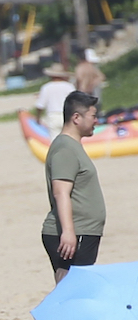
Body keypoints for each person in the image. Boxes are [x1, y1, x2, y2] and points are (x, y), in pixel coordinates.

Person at [42, 91, 106, 283]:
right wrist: (68, 232)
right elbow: (61, 192)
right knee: (72, 288)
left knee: (71, 286)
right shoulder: (65, 149)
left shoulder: (72, 146)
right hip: (75, 232)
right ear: (76, 118)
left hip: (82, 231)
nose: (96, 120)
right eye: (93, 116)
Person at [34, 63, 78, 133]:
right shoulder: (69, 86)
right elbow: (76, 102)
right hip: (67, 115)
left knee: (55, 137)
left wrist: (38, 118)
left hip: (53, 116)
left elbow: (40, 105)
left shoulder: (46, 87)